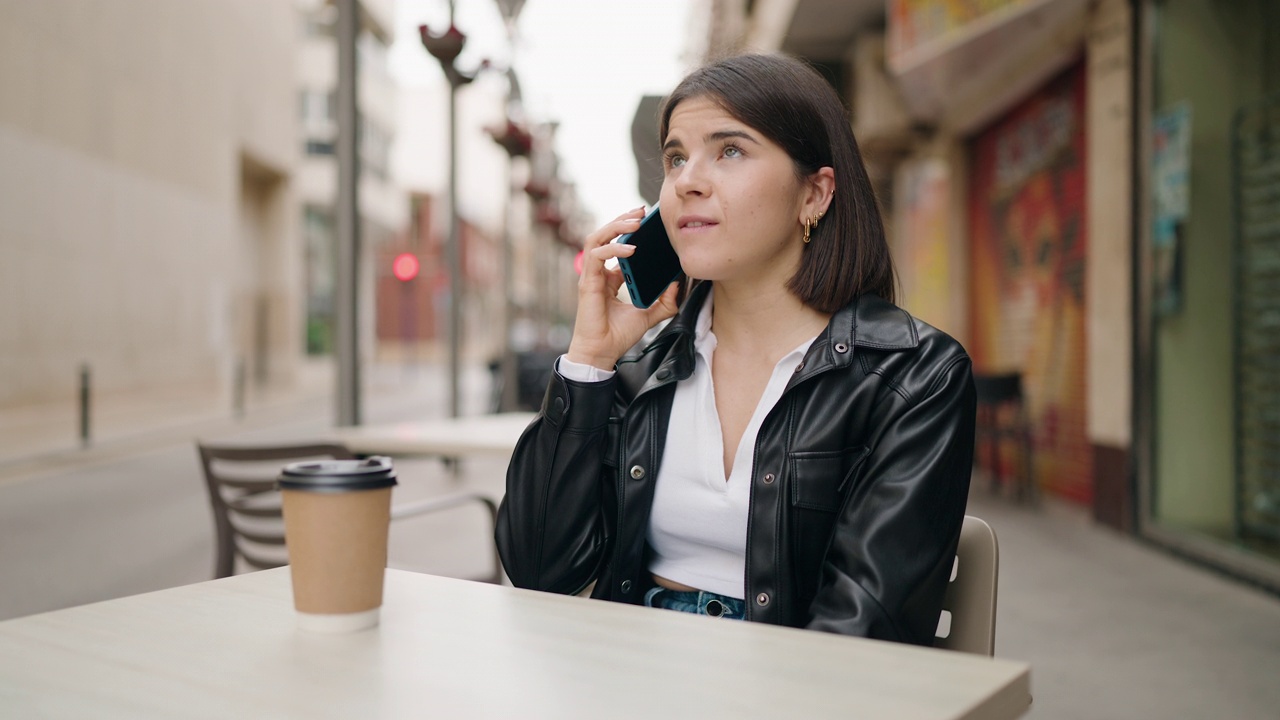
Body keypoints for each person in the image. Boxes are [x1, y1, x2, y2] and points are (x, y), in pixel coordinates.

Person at [496, 53, 976, 646]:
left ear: (815, 195)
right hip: (630, 670)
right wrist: (590, 360)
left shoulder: (914, 376)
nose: (686, 181)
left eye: (730, 151)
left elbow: (864, 629)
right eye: (676, 158)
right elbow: (541, 570)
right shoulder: (642, 370)